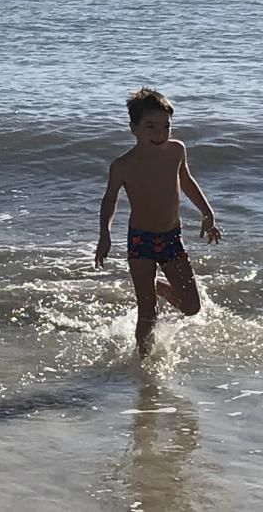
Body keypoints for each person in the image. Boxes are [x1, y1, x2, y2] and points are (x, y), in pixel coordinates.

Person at [94, 88, 222, 356]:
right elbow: (109, 200)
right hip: (141, 239)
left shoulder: (176, 151)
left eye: (166, 126)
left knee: (191, 307)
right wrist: (104, 235)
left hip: (171, 237)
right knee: (147, 312)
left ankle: (157, 287)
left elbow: (186, 181)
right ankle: (144, 369)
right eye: (150, 126)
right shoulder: (123, 165)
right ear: (134, 129)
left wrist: (207, 214)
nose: (160, 133)